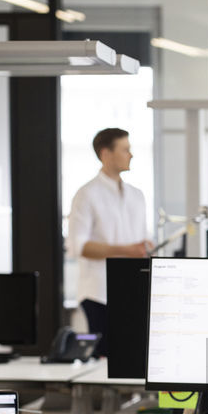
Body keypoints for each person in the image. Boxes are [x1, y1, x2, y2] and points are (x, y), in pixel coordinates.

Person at [66, 127, 153, 357]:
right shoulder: (86, 194)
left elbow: (141, 240)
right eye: (125, 149)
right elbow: (80, 246)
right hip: (99, 294)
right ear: (106, 153)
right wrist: (127, 250)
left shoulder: (137, 195)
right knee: (103, 362)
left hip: (132, 291)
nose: (131, 155)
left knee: (132, 358)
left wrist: (145, 247)